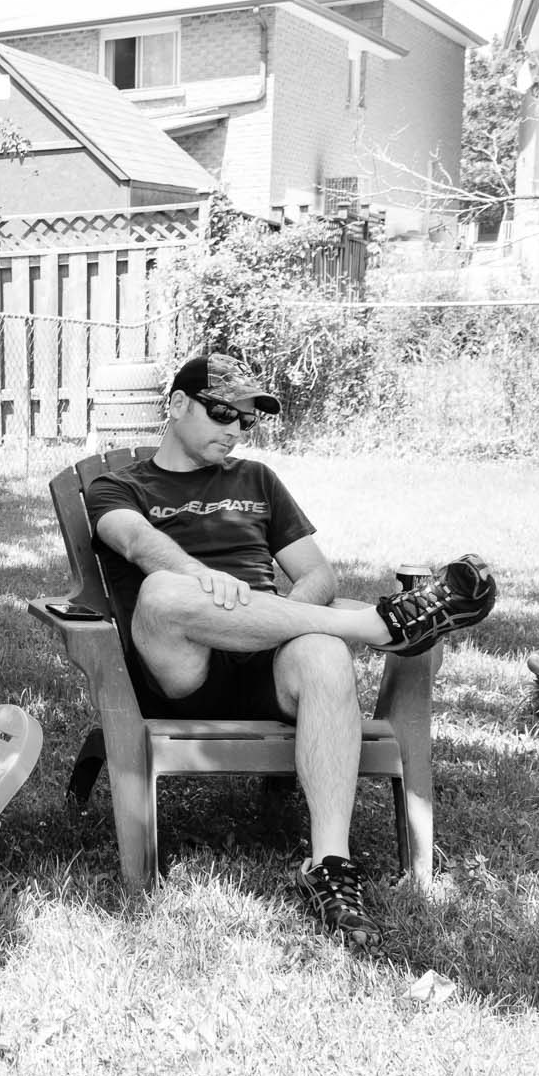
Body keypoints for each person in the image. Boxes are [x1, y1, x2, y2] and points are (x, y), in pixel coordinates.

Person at [88, 353, 497, 944]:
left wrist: (292, 618)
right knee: (162, 591)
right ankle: (378, 628)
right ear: (176, 405)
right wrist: (208, 584)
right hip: (182, 666)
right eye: (222, 411)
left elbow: (317, 576)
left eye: (246, 420)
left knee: (324, 653)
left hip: (268, 655)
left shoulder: (257, 480)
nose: (234, 429)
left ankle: (329, 865)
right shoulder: (117, 486)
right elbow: (140, 544)